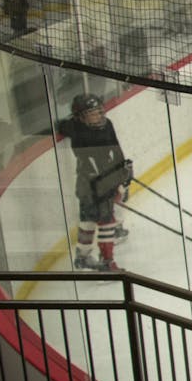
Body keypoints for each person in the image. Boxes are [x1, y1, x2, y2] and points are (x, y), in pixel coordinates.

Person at [58, 94, 132, 273]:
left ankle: (83, 257)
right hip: (90, 184)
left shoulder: (107, 125)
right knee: (98, 222)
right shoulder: (77, 130)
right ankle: (106, 261)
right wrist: (110, 183)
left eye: (100, 111)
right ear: (81, 117)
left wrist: (124, 171)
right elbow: (63, 126)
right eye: (93, 113)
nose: (99, 116)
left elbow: (116, 149)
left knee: (93, 221)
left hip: (103, 179)